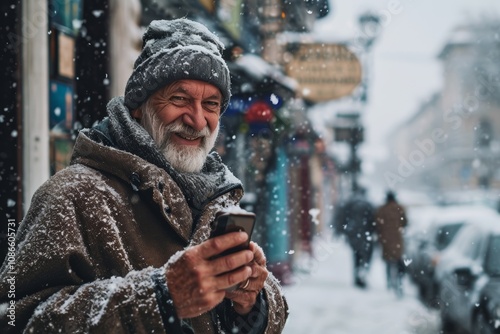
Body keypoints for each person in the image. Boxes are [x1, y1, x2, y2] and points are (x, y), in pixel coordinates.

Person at [0, 19, 288, 333]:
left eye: (211, 104)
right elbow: (15, 320)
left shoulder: (216, 198)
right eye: (179, 99)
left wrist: (251, 300)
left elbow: (261, 312)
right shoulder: (73, 194)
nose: (197, 119)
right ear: (139, 106)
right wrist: (160, 297)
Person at [335, 187, 375, 288]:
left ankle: (357, 277)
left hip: (354, 235)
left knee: (356, 256)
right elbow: (374, 221)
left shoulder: (350, 204)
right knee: (365, 257)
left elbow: (342, 218)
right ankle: (362, 276)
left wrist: (342, 232)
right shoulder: (368, 204)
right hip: (366, 236)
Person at [375, 190, 408, 298]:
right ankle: (399, 284)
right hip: (397, 239)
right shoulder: (400, 208)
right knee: (398, 263)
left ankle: (389, 282)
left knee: (388, 263)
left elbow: (377, 224)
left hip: (385, 240)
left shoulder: (381, 210)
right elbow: (405, 223)